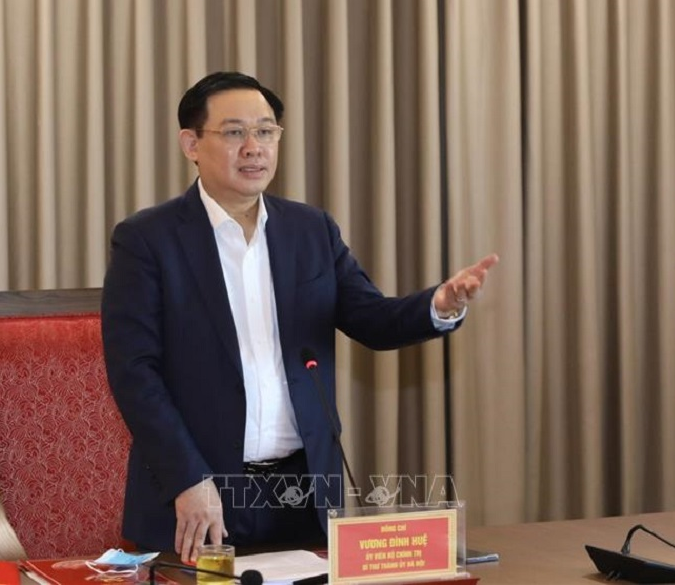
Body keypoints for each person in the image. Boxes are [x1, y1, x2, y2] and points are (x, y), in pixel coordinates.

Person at [101, 71, 499, 564]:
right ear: (191, 144)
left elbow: (372, 319)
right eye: (234, 132)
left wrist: (439, 305)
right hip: (200, 496)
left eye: (266, 131)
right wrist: (187, 478)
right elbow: (134, 373)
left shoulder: (310, 230)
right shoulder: (147, 240)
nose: (254, 147)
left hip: (303, 493)